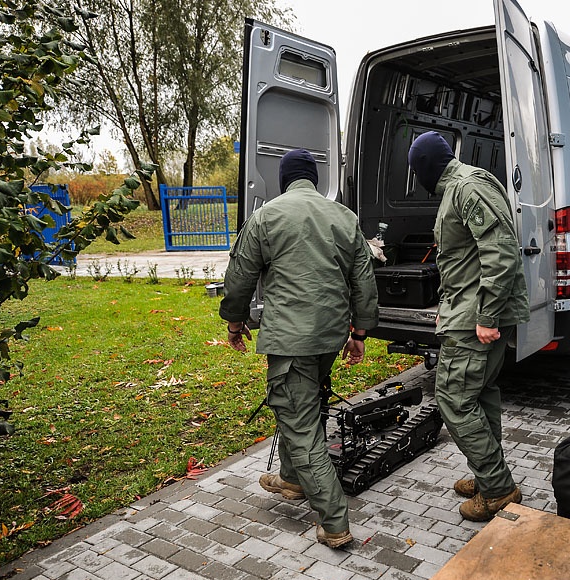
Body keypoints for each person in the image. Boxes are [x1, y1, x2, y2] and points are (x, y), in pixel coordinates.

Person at [219, 149, 378, 548]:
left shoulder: (267, 216)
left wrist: (234, 322)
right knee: (301, 405)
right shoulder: (345, 217)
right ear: (314, 179)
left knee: (299, 419)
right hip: (329, 337)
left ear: (284, 179)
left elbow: (239, 276)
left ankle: (334, 520)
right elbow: (364, 281)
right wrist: (359, 333)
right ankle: (291, 479)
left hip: (291, 338)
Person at [407, 131, 530, 522]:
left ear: (425, 167)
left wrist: (486, 316)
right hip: (465, 312)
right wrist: (448, 306)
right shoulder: (458, 189)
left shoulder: (466, 187)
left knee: (454, 399)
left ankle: (497, 489)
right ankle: (487, 475)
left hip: (477, 317)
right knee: (480, 394)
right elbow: (462, 260)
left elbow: (501, 251)